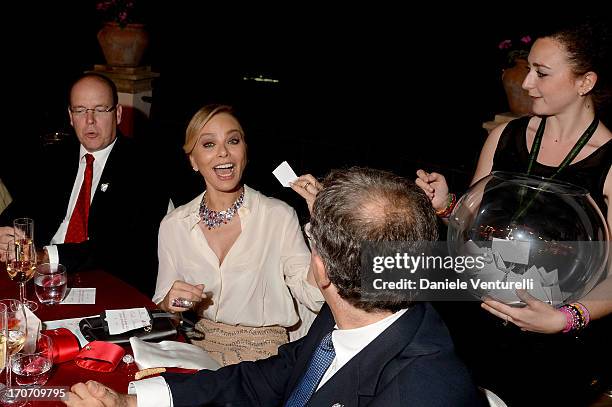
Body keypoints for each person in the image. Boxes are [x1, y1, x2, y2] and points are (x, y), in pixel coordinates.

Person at [64, 167, 484, 407]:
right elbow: (256, 383)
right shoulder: (344, 322)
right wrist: (132, 402)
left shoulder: (425, 390)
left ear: (321, 269)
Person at [416, 18, 612, 406]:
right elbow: (472, 221)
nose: (525, 83)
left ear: (584, 82)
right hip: (475, 318)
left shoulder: (609, 164)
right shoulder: (503, 136)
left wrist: (563, 319)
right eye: (527, 70)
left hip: (548, 344)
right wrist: (446, 206)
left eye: (541, 73)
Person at [152, 104, 324, 366]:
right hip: (194, 345)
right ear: (193, 160)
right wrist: (169, 304)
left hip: (263, 354)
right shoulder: (174, 225)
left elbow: (312, 296)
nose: (223, 152)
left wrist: (322, 226)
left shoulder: (278, 215)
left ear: (244, 151)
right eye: (208, 144)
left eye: (233, 141)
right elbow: (164, 309)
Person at [0, 73, 169, 296]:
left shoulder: (144, 167)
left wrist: (45, 256)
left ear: (117, 114)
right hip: (39, 280)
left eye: (100, 109)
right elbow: (18, 213)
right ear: (70, 117)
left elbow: (119, 248)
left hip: (105, 283)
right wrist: (3, 234)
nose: (90, 120)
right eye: (80, 110)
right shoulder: (53, 159)